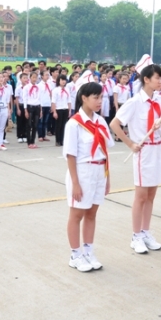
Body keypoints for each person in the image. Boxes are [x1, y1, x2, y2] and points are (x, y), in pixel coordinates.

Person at [110, 64, 161, 254]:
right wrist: (130, 144)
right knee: (141, 196)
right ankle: (136, 235)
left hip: (158, 150)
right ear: (146, 79)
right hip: (143, 152)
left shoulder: (160, 100)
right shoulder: (134, 102)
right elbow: (115, 124)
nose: (160, 81)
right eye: (157, 78)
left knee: (151, 195)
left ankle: (146, 232)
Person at [64, 81, 115, 272]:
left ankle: (88, 251)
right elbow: (70, 155)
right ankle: (75, 254)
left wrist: (107, 178)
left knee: (92, 213)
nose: (100, 101)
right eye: (96, 97)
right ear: (84, 98)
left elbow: (105, 151)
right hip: (82, 171)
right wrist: (75, 183)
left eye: (101, 97)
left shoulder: (100, 121)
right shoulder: (74, 124)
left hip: (99, 171)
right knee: (77, 214)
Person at [23, 71, 41, 149]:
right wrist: (25, 110)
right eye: (33, 77)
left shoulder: (38, 87)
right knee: (29, 124)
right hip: (30, 106)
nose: (34, 79)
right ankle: (29, 142)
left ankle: (33, 141)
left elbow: (40, 99)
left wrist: (41, 110)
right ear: (30, 78)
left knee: (35, 125)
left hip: (37, 106)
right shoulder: (26, 87)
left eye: (36, 77)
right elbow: (25, 99)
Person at [51, 75, 71, 147]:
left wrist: (69, 110)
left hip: (65, 109)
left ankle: (62, 140)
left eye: (64, 80)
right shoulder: (55, 90)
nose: (63, 81)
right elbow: (53, 102)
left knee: (64, 126)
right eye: (62, 80)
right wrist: (54, 112)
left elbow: (69, 101)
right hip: (58, 109)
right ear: (58, 81)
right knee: (58, 126)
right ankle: (57, 140)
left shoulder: (67, 89)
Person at [38, 70, 54, 142]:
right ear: (42, 76)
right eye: (46, 75)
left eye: (48, 75)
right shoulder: (39, 85)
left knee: (45, 121)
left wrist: (51, 104)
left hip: (48, 104)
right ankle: (40, 136)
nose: (48, 76)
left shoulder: (50, 84)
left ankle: (44, 135)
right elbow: (38, 97)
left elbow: (51, 95)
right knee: (40, 121)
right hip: (42, 105)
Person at [14, 73, 29, 143]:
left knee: (26, 121)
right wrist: (18, 108)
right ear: (20, 79)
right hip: (20, 105)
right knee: (20, 121)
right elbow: (16, 99)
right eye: (24, 78)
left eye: (26, 78)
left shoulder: (29, 87)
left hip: (27, 106)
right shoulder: (18, 88)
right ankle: (19, 136)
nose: (26, 79)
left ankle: (25, 135)